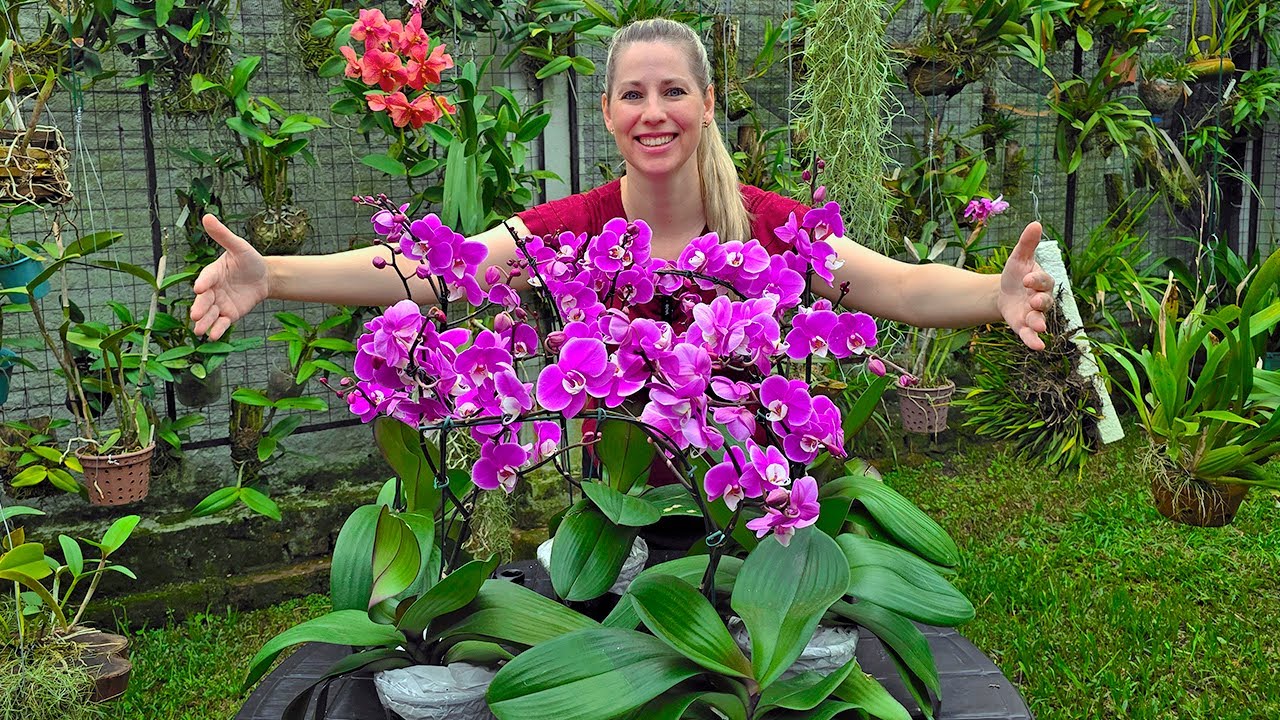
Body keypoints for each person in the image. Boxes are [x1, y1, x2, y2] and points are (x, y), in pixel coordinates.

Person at [191, 18, 1054, 352]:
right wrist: (274, 275)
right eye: (633, 95)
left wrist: (994, 291)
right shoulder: (575, 226)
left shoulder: (766, 227)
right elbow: (433, 268)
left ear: (708, 105)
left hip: (752, 498)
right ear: (606, 112)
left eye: (674, 91)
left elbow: (894, 284)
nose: (654, 112)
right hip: (618, 503)